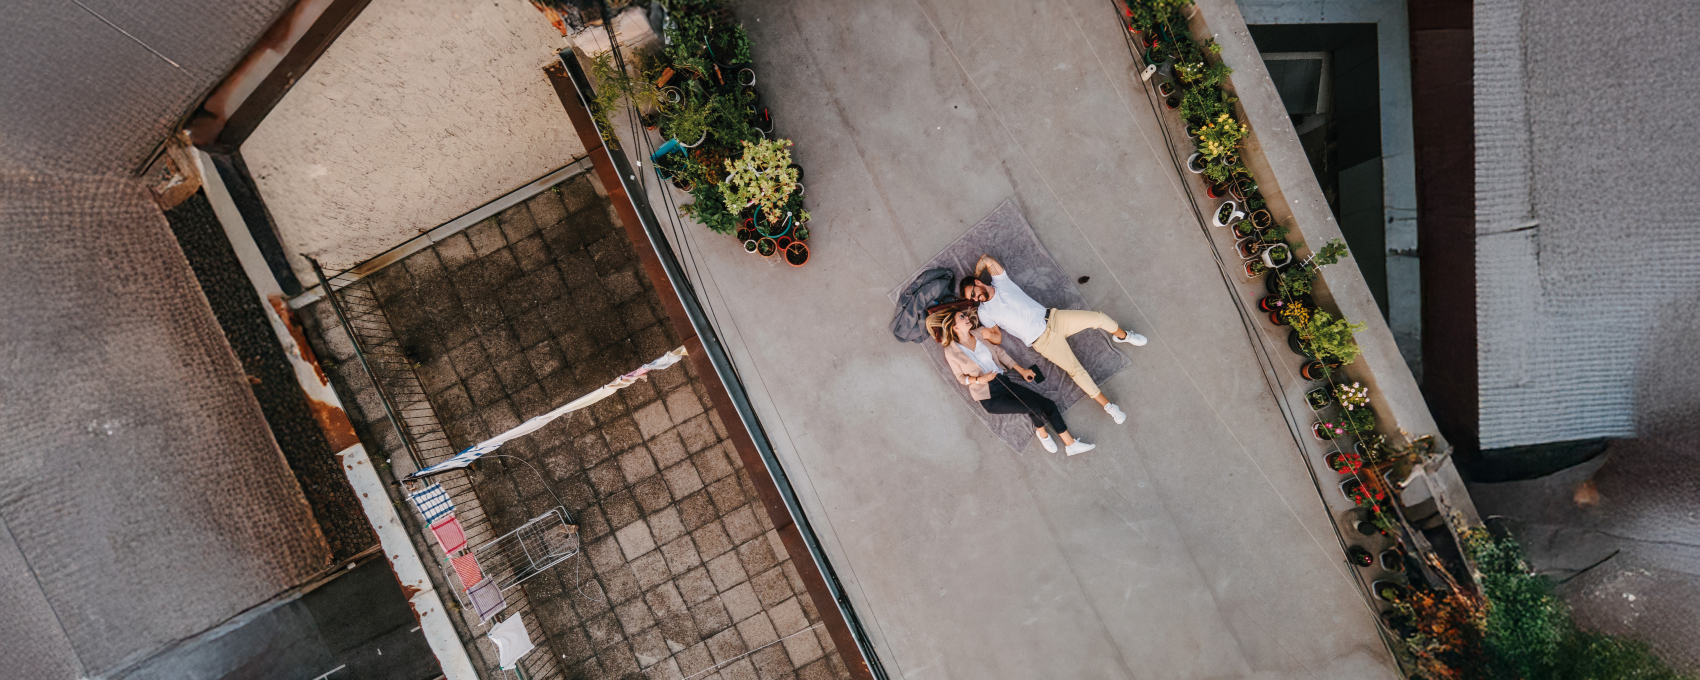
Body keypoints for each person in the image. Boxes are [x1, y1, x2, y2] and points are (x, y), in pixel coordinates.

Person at [959, 254, 1145, 425]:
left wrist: (975, 273)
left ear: (978, 282)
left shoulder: (1001, 283)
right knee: (1075, 370)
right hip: (1042, 341)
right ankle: (1109, 406)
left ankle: (1123, 336)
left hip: (1054, 319)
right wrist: (987, 335)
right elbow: (997, 337)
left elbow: (987, 260)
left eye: (973, 293)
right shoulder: (984, 312)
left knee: (1098, 318)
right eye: (972, 299)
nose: (976, 299)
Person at [928, 309, 1095, 456]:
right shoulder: (951, 351)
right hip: (989, 396)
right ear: (955, 328)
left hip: (1003, 382)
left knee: (1048, 404)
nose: (966, 318)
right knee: (1034, 407)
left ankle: (1071, 445)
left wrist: (1021, 370)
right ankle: (1042, 434)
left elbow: (999, 352)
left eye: (964, 315)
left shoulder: (979, 333)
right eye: (961, 317)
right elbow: (960, 378)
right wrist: (980, 379)